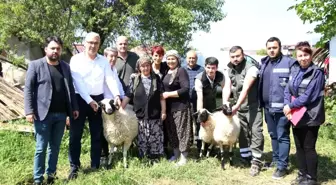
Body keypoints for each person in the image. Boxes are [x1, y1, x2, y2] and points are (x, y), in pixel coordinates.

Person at [24, 36, 79, 185]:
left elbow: (71, 90)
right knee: (41, 148)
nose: (55, 51)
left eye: (58, 48)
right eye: (52, 48)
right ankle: (38, 179)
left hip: (61, 114)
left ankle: (51, 176)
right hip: (42, 114)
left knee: (54, 147)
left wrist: (74, 108)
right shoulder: (35, 65)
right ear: (46, 49)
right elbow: (28, 89)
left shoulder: (65, 67)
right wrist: (29, 111)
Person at [68, 32, 121, 179]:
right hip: (79, 99)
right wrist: (89, 101)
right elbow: (77, 82)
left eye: (96, 43)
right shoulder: (75, 60)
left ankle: (95, 165)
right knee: (75, 135)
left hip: (98, 99)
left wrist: (116, 94)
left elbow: (109, 78)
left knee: (96, 134)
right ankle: (74, 167)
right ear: (84, 43)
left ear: (99, 44)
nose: (93, 45)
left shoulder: (103, 61)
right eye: (90, 42)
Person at [283, 41, 325, 185]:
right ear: (296, 56)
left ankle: (311, 178)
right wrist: (286, 105)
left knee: (308, 147)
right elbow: (287, 89)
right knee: (299, 146)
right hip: (296, 115)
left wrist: (290, 106)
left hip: (311, 115)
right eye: (300, 55)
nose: (303, 58)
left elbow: (309, 96)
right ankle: (302, 174)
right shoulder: (294, 69)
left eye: (306, 55)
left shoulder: (317, 73)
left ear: (311, 55)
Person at [259, 37, 296, 179]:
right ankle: (275, 160)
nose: (272, 50)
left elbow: (294, 85)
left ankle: (282, 166)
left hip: (283, 109)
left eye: (274, 47)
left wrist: (290, 105)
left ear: (279, 48)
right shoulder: (264, 63)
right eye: (269, 48)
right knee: (273, 135)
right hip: (267, 108)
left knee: (283, 136)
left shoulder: (290, 63)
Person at [224, 46, 264, 176]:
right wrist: (225, 102)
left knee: (255, 131)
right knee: (242, 132)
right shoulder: (229, 68)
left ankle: (256, 161)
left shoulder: (251, 67)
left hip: (252, 106)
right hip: (239, 107)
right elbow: (227, 86)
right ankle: (245, 157)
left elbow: (246, 88)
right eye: (232, 57)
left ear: (243, 55)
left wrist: (235, 107)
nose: (235, 59)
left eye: (238, 56)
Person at [121, 55, 166, 163]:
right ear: (139, 68)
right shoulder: (135, 79)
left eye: (147, 65)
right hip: (140, 114)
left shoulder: (156, 78)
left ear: (150, 66)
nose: (145, 68)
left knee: (155, 137)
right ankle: (144, 158)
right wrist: (121, 109)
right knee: (143, 138)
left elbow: (161, 96)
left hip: (154, 113)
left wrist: (163, 111)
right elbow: (128, 95)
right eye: (143, 66)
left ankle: (155, 158)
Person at [162, 50, 193, 166]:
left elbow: (185, 89)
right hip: (169, 108)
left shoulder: (181, 71)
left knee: (182, 132)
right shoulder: (166, 71)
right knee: (172, 132)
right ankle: (176, 154)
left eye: (173, 59)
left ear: (178, 60)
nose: (170, 61)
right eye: (168, 59)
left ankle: (184, 157)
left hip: (181, 107)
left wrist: (168, 94)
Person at [194, 57, 230, 154]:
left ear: (217, 68)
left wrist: (225, 105)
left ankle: (213, 148)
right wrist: (200, 114)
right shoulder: (199, 79)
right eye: (208, 67)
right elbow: (199, 98)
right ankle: (200, 149)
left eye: (213, 68)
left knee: (216, 127)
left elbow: (225, 90)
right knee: (202, 126)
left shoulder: (221, 76)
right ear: (205, 67)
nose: (211, 70)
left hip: (216, 105)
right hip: (203, 105)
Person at [100, 47, 125, 167]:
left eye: (115, 56)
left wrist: (123, 97)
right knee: (104, 130)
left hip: (114, 104)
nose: (113, 59)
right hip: (105, 105)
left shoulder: (113, 69)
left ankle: (113, 152)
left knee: (113, 128)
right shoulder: (102, 69)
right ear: (105, 56)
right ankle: (103, 156)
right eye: (111, 56)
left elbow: (118, 84)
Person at [183, 50, 204, 147]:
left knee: (198, 121)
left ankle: (199, 143)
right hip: (185, 100)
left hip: (197, 100)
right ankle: (189, 143)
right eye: (189, 58)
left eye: (193, 58)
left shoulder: (202, 70)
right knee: (187, 123)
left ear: (196, 59)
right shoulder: (182, 70)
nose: (191, 60)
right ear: (186, 59)